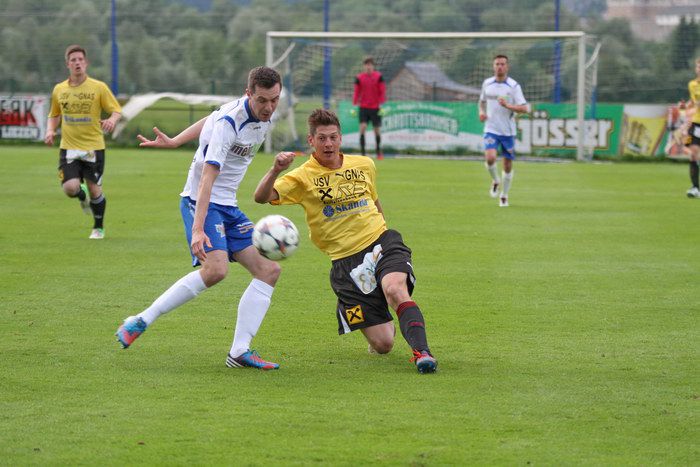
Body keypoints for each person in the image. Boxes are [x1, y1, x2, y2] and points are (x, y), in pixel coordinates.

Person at [115, 67, 292, 370]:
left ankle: (239, 352)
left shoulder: (258, 115)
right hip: (201, 201)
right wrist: (198, 229)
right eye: (262, 100)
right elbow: (207, 177)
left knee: (269, 270)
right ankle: (141, 320)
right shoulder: (229, 123)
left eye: (274, 100)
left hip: (228, 206)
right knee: (216, 270)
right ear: (248, 94)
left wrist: (175, 140)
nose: (269, 107)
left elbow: (209, 118)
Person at [254, 109, 438, 374]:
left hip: (380, 243)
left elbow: (374, 201)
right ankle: (374, 308)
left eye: (333, 137)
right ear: (311, 141)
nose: (328, 144)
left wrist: (383, 236)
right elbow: (261, 197)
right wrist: (275, 170)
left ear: (340, 138)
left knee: (395, 290)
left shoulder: (364, 164)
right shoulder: (302, 177)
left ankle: (423, 353)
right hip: (345, 263)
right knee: (384, 344)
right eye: (322, 138)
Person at [44, 44, 122, 239]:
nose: (77, 63)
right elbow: (54, 114)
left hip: (93, 148)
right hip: (68, 147)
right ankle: (81, 195)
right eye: (73, 60)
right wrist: (50, 130)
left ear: (86, 63)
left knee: (95, 190)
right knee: (69, 189)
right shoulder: (59, 89)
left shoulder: (98, 87)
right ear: (68, 64)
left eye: (80, 59)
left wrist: (112, 120)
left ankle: (98, 228)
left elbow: (116, 110)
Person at [478, 54, 529, 207]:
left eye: (502, 64)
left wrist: (508, 105)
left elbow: (524, 108)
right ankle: (495, 180)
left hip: (508, 131)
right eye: (497, 64)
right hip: (491, 128)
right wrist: (481, 112)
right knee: (490, 158)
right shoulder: (487, 83)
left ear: (507, 67)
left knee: (507, 165)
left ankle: (504, 195)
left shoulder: (513, 86)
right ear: (493, 66)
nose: (500, 66)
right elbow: (481, 102)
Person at [353, 56, 386, 160]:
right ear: (364, 66)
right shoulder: (359, 78)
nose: (368, 67)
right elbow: (356, 92)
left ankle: (378, 152)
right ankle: (363, 154)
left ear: (373, 66)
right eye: (366, 65)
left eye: (370, 65)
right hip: (363, 107)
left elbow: (382, 91)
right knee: (362, 128)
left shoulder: (379, 77)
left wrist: (382, 104)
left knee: (377, 130)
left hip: (375, 108)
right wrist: (354, 104)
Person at [683, 58, 700, 198]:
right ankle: (695, 188)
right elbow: (694, 101)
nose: (699, 69)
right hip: (697, 123)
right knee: (693, 154)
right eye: (698, 66)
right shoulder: (692, 84)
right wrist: (686, 106)